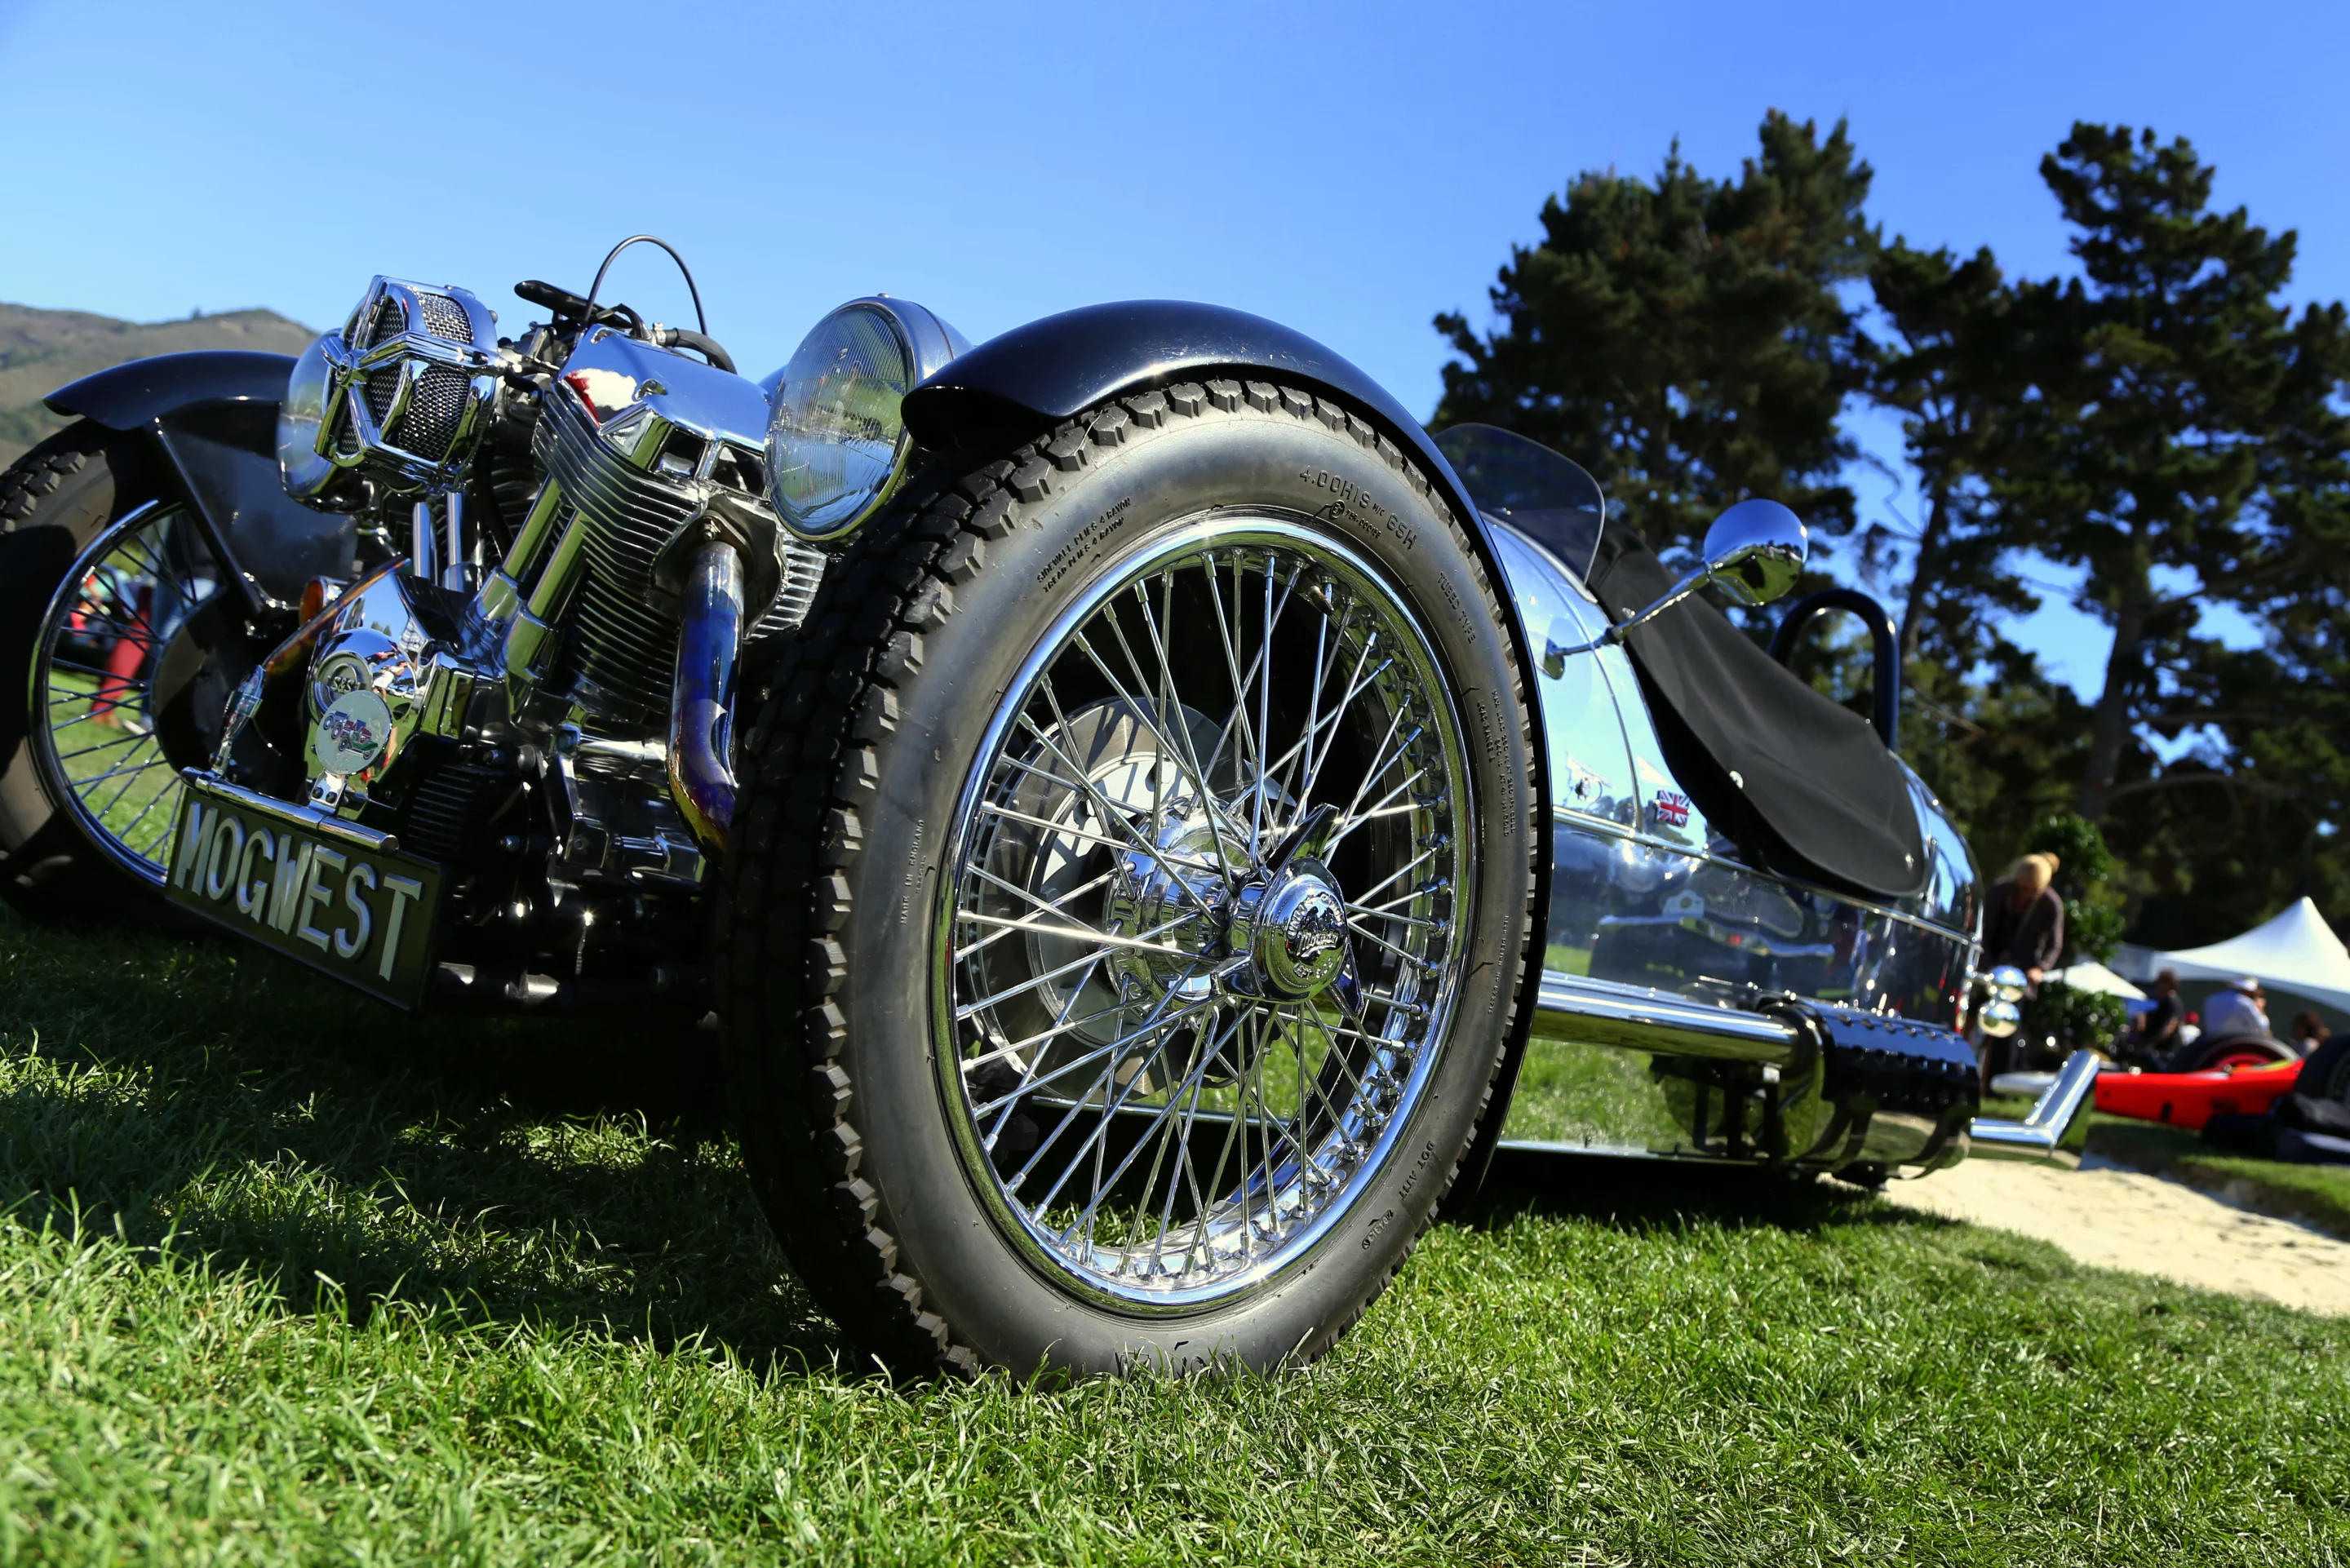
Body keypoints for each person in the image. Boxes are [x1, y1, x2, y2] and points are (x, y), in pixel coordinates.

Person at [1982, 853, 2065, 990]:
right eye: (2022, 888)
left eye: (2032, 890)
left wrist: (2040, 968)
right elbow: (1982, 927)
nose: (2025, 894)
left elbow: (2055, 944)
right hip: (1988, 965)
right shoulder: (1999, 891)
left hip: (2023, 976)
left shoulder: (2051, 904)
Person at [2132, 970, 2184, 1065]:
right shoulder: (2163, 1002)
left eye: (2160, 982)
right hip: (2158, 1050)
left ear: (2168, 984)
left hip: (2165, 1052)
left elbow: (2170, 1026)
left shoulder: (2172, 1002)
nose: (2157, 985)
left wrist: (2151, 1045)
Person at [2201, 977, 2271, 1043]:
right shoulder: (2244, 1003)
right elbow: (2262, 1026)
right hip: (2235, 1045)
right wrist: (2260, 1009)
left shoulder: (2212, 999)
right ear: (2248, 991)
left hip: (2211, 1041)